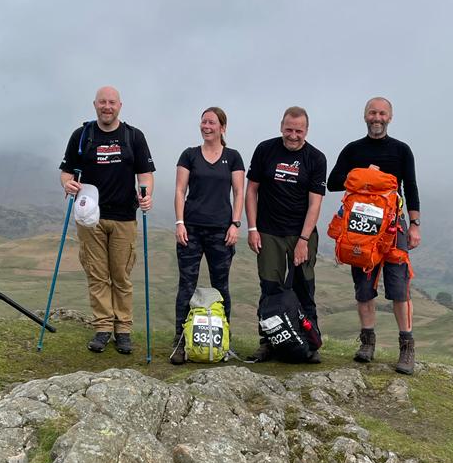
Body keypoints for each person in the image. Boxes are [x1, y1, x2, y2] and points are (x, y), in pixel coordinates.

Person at [327, 97, 420, 373]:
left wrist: (414, 224)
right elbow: (333, 183)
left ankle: (407, 349)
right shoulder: (353, 150)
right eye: (372, 113)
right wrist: (364, 175)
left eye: (381, 113)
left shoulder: (401, 150)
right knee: (364, 287)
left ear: (389, 117)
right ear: (364, 116)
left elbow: (411, 187)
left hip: (394, 226)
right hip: (360, 226)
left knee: (399, 287)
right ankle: (367, 343)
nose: (376, 117)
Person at [59, 86, 154, 354]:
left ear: (120, 105)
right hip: (89, 217)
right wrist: (68, 185)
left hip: (124, 216)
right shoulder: (82, 136)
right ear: (95, 105)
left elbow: (145, 174)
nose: (107, 107)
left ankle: (123, 330)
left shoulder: (133, 137)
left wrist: (146, 194)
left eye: (112, 102)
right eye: (103, 102)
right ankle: (102, 327)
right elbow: (66, 173)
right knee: (97, 274)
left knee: (121, 275)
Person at [246, 106, 327, 362]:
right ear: (281, 126)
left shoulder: (316, 158)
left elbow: (315, 203)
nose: (293, 135)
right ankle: (268, 342)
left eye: (299, 131)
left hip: (300, 234)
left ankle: (310, 342)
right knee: (270, 288)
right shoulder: (265, 150)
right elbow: (251, 191)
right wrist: (252, 228)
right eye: (289, 129)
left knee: (304, 287)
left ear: (307, 130)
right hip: (268, 232)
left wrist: (303, 240)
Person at [170, 107, 245, 363]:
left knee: (221, 287)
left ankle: (223, 339)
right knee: (186, 286)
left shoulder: (233, 157)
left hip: (221, 233)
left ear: (223, 127)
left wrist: (235, 224)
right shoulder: (189, 155)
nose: (206, 126)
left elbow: (239, 192)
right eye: (203, 122)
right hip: (190, 229)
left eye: (212, 122)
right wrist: (180, 222)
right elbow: (180, 190)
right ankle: (180, 342)